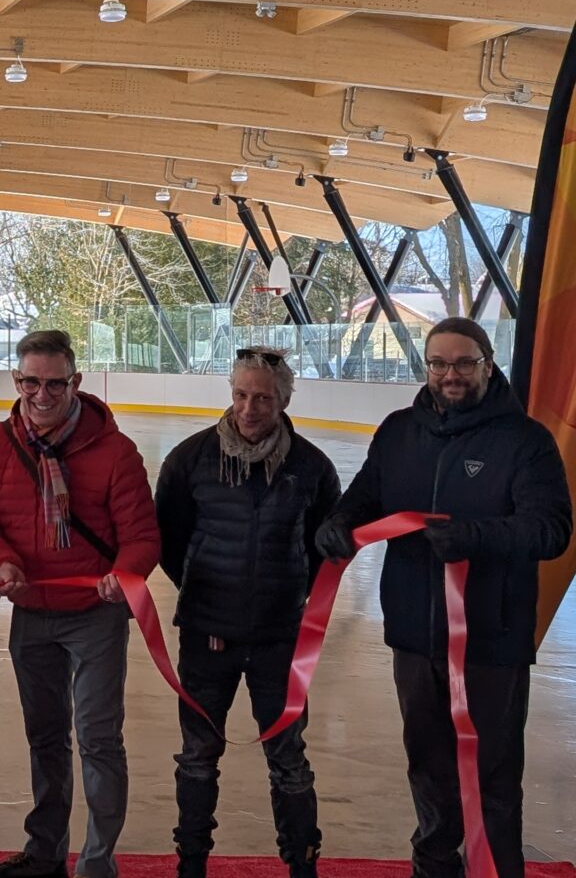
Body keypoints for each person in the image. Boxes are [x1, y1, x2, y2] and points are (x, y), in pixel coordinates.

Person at [315, 318, 571, 878]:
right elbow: (365, 498)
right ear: (426, 366)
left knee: (492, 777)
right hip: (412, 634)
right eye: (439, 363)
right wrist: (339, 523)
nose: (450, 375)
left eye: (463, 363)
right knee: (429, 771)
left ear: (487, 364)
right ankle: (433, 869)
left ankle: (496, 869)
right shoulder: (398, 431)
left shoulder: (524, 441)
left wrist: (473, 537)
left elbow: (552, 530)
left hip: (491, 641)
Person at [0, 330, 159, 878]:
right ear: (16, 381)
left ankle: (98, 861)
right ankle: (46, 852)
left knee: (98, 736)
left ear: (75, 382)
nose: (41, 395)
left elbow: (143, 536)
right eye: (31, 382)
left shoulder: (116, 451)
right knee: (45, 734)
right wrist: (0, 561)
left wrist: (123, 575)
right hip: (31, 610)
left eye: (54, 383)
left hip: (95, 615)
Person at [156, 348, 339, 878]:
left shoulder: (311, 468)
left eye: (262, 397)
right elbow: (169, 541)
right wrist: (205, 595)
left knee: (289, 760)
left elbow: (321, 547)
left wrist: (287, 596)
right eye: (240, 394)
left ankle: (302, 864)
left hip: (281, 639)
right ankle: (191, 863)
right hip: (206, 636)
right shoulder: (190, 459)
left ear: (283, 400)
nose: (249, 408)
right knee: (197, 755)